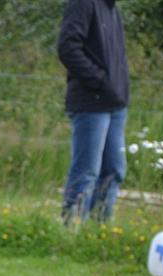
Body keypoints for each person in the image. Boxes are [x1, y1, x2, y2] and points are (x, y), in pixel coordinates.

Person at [57, 0, 130, 224]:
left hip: (115, 103)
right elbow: (67, 48)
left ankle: (99, 230)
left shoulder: (111, 8)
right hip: (91, 102)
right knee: (86, 171)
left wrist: (120, 89)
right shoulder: (83, 3)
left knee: (113, 170)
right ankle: (72, 227)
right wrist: (99, 81)